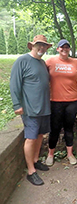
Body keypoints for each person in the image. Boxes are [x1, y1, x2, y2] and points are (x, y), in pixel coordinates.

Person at [10, 35, 52, 186]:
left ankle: (35, 160)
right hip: (30, 109)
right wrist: (17, 105)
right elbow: (14, 84)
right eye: (39, 45)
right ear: (32, 46)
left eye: (44, 46)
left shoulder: (42, 63)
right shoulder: (22, 61)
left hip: (44, 107)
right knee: (31, 137)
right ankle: (31, 171)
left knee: (40, 135)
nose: (41, 48)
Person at [45, 39, 77, 166]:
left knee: (69, 128)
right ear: (57, 49)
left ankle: (70, 154)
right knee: (55, 128)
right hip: (55, 101)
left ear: (69, 49)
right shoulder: (50, 62)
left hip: (72, 101)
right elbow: (39, 75)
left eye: (67, 47)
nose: (64, 49)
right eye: (62, 47)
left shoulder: (76, 62)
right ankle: (50, 154)